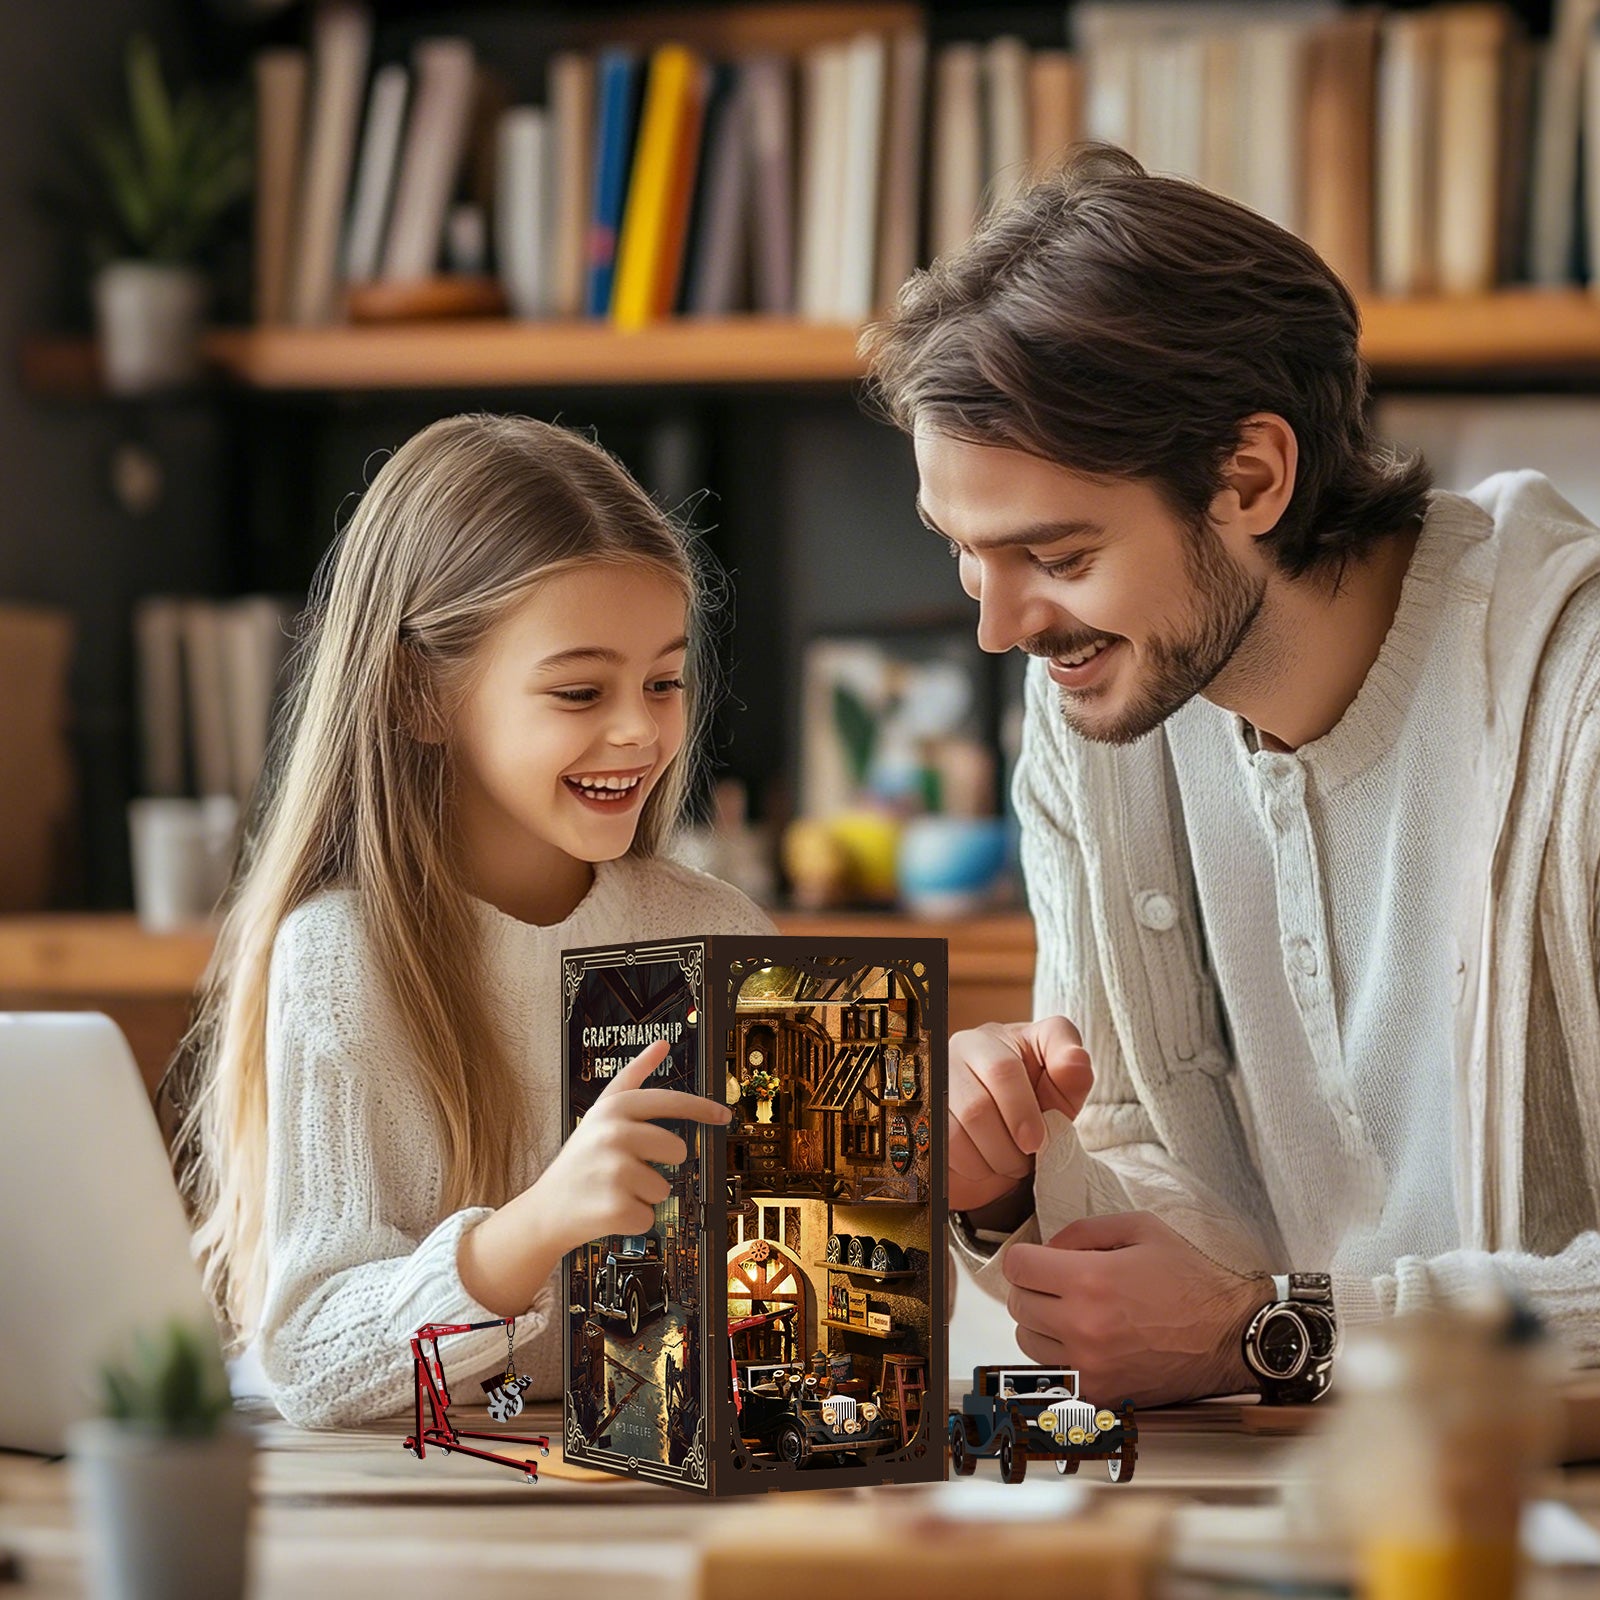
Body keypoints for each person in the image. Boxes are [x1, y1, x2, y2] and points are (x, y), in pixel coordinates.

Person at [862, 145, 1600, 1406]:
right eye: (965, 554)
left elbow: (1241, 1317)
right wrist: (1010, 1175)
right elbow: (1177, 1187)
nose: (998, 628)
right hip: (1286, 1496)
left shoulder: (1573, 714)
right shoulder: (1092, 717)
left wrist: (1274, 1332)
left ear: (1249, 478)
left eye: (1054, 551)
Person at [167, 414, 773, 1428]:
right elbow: (312, 1360)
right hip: (433, 1507)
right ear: (420, 691)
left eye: (664, 681)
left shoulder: (720, 934)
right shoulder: (340, 958)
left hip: (663, 1497)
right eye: (580, 689)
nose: (639, 728)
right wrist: (530, 1232)